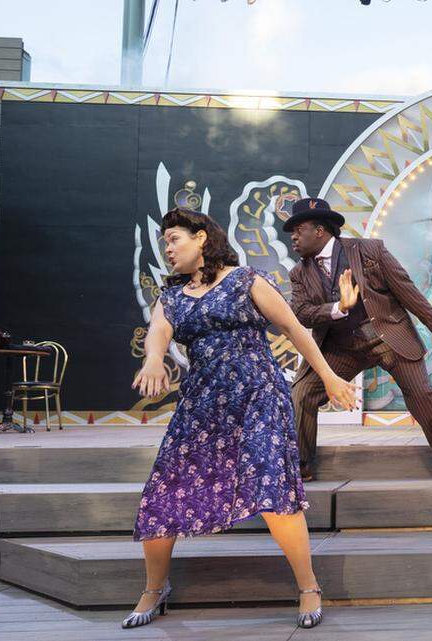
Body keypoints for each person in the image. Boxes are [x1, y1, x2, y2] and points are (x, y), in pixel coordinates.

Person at [129, 208, 358, 630]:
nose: (168, 248)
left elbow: (294, 328)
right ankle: (154, 589)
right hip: (202, 404)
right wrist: (154, 360)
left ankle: (308, 587)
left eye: (174, 239)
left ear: (201, 238)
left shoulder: (244, 279)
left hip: (257, 396)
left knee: (272, 487)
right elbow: (159, 332)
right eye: (164, 242)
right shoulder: (172, 295)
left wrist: (328, 377)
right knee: (164, 492)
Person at [285, 198, 432, 483]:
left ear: (320, 230)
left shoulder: (368, 250)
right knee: (302, 392)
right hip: (341, 347)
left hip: (389, 336)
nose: (293, 237)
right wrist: (339, 308)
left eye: (298, 229)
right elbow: (302, 314)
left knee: (422, 394)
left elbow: (405, 289)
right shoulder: (299, 273)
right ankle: (301, 465)